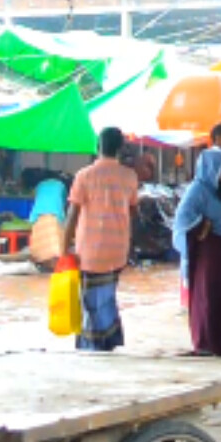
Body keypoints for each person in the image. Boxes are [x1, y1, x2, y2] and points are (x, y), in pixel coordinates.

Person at [174, 123, 221, 359]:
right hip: (210, 256)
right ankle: (209, 342)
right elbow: (182, 221)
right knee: (210, 300)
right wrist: (201, 226)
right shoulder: (197, 191)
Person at [66, 126, 138, 351]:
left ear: (98, 147)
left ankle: (94, 343)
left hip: (89, 251)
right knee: (106, 296)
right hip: (117, 249)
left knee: (91, 302)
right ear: (120, 149)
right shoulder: (130, 176)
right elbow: (133, 212)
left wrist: (63, 248)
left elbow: (72, 216)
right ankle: (108, 339)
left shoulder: (84, 176)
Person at [27, 171, 69, 270]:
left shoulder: (39, 185)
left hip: (38, 214)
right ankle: (56, 265)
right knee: (55, 243)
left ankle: (40, 262)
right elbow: (63, 201)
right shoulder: (61, 185)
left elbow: (36, 198)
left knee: (40, 242)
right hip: (55, 213)